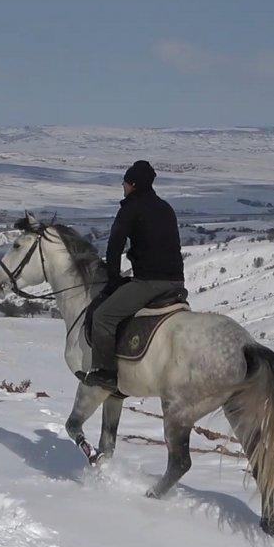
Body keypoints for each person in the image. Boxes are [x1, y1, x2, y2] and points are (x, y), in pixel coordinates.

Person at [84, 160, 186, 392]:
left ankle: (106, 372)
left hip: (149, 282)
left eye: (125, 182)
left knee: (103, 315)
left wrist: (112, 281)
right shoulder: (165, 207)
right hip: (177, 281)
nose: (123, 186)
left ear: (132, 184)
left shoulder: (130, 208)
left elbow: (114, 247)